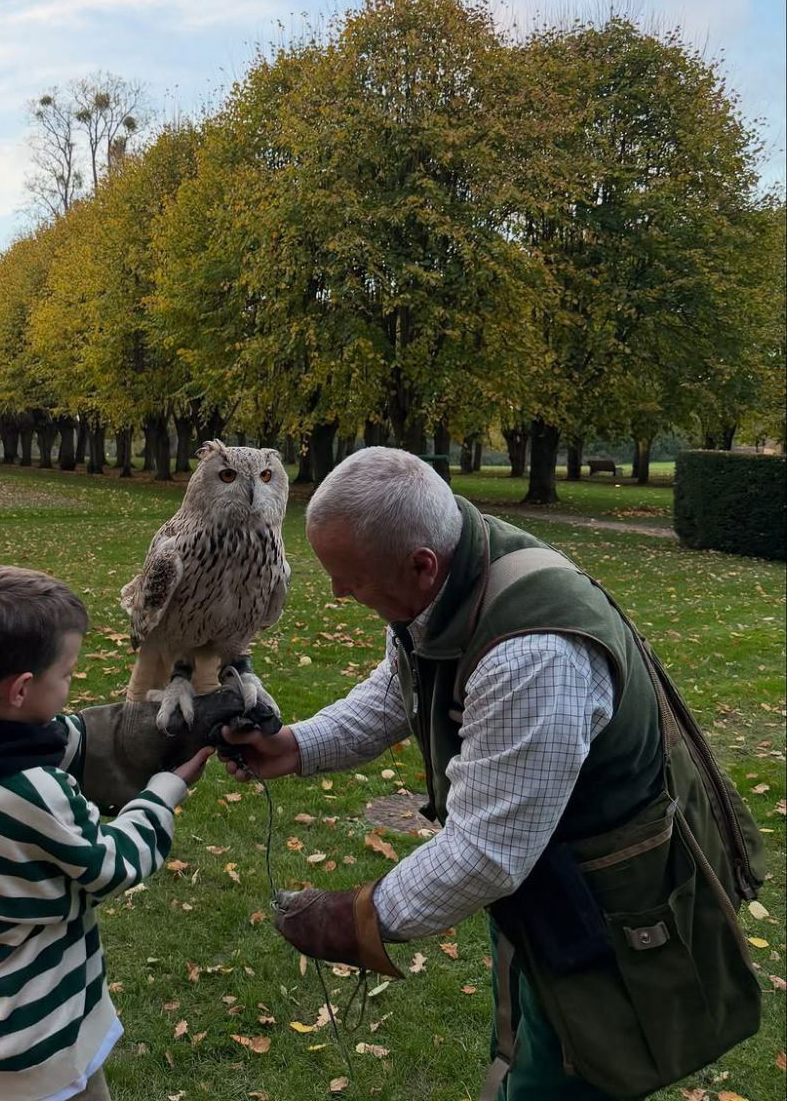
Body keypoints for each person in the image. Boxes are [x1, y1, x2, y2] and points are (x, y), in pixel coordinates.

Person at [221, 447, 763, 1100]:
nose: (338, 592)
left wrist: (355, 919)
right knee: (525, 1046)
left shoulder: (533, 657)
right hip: (551, 884)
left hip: (611, 913)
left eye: (348, 577)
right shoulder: (452, 573)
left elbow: (486, 853)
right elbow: (402, 686)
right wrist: (294, 746)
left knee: (568, 1074)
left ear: (420, 563)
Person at [0, 565, 215, 1101]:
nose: (71, 684)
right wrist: (164, 792)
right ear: (21, 690)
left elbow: (50, 739)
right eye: (68, 674)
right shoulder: (35, 795)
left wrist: (128, 725)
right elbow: (110, 864)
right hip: (37, 1039)